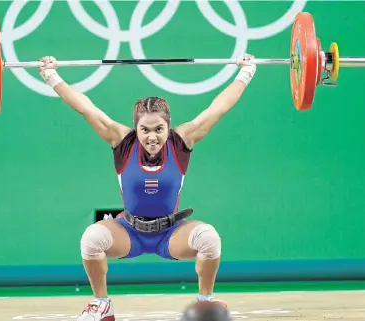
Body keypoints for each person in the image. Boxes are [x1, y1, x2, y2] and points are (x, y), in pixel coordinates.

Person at [38, 54, 256, 321]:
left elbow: (218, 108)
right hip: (129, 233)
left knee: (209, 238)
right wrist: (51, 76)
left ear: (168, 126)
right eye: (145, 129)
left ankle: (205, 303)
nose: (152, 136)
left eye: (159, 129)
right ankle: (102, 304)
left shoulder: (182, 141)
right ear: (136, 128)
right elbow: (86, 107)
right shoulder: (122, 141)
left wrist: (246, 72)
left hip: (170, 233)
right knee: (91, 239)